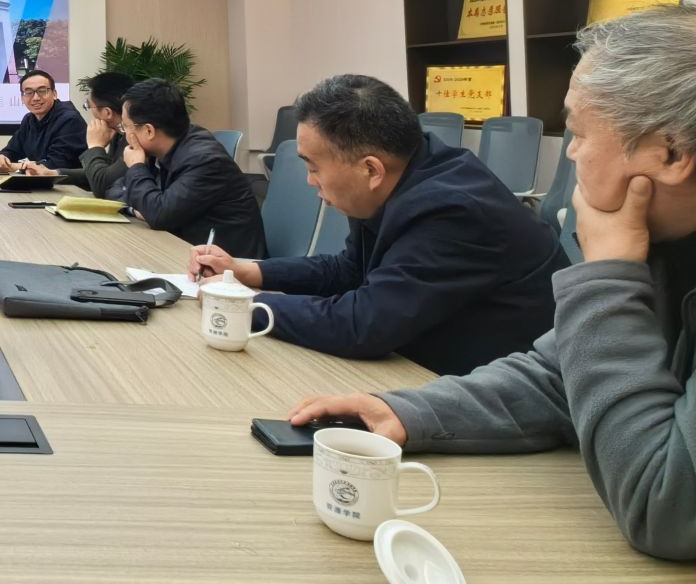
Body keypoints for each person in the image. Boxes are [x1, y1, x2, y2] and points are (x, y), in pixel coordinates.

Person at [290, 7, 696, 584]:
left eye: (578, 133)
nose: (569, 154)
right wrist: (408, 413)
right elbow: (559, 375)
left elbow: (669, 505)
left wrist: (607, 274)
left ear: (671, 156)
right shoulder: (690, 225)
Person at [191, 73, 563, 375]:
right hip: (427, 367)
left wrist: (243, 305)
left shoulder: (453, 211)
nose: (309, 180)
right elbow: (349, 270)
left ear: (371, 169)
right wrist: (247, 271)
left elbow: (363, 325)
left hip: (493, 398)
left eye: (314, 167)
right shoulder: (404, 174)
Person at [116, 78, 266, 253]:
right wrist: (138, 208)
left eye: (126, 126)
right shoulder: (164, 149)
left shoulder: (205, 160)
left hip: (226, 263)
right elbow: (116, 189)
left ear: (149, 131)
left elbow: (158, 214)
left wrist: (136, 167)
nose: (124, 134)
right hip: (187, 250)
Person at [20, 71, 134, 196]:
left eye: (88, 106)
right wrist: (53, 173)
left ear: (107, 113)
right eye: (29, 92)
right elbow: (100, 173)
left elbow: (102, 185)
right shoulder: (118, 134)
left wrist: (95, 146)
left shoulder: (133, 139)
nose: (36, 98)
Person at [0, 68, 86, 174]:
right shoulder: (29, 119)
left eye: (42, 91)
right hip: (44, 182)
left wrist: (12, 167)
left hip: (70, 183)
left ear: (54, 94)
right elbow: (12, 150)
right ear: (22, 98)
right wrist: (1, 158)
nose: (35, 98)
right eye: (29, 92)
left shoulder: (70, 120)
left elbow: (56, 165)